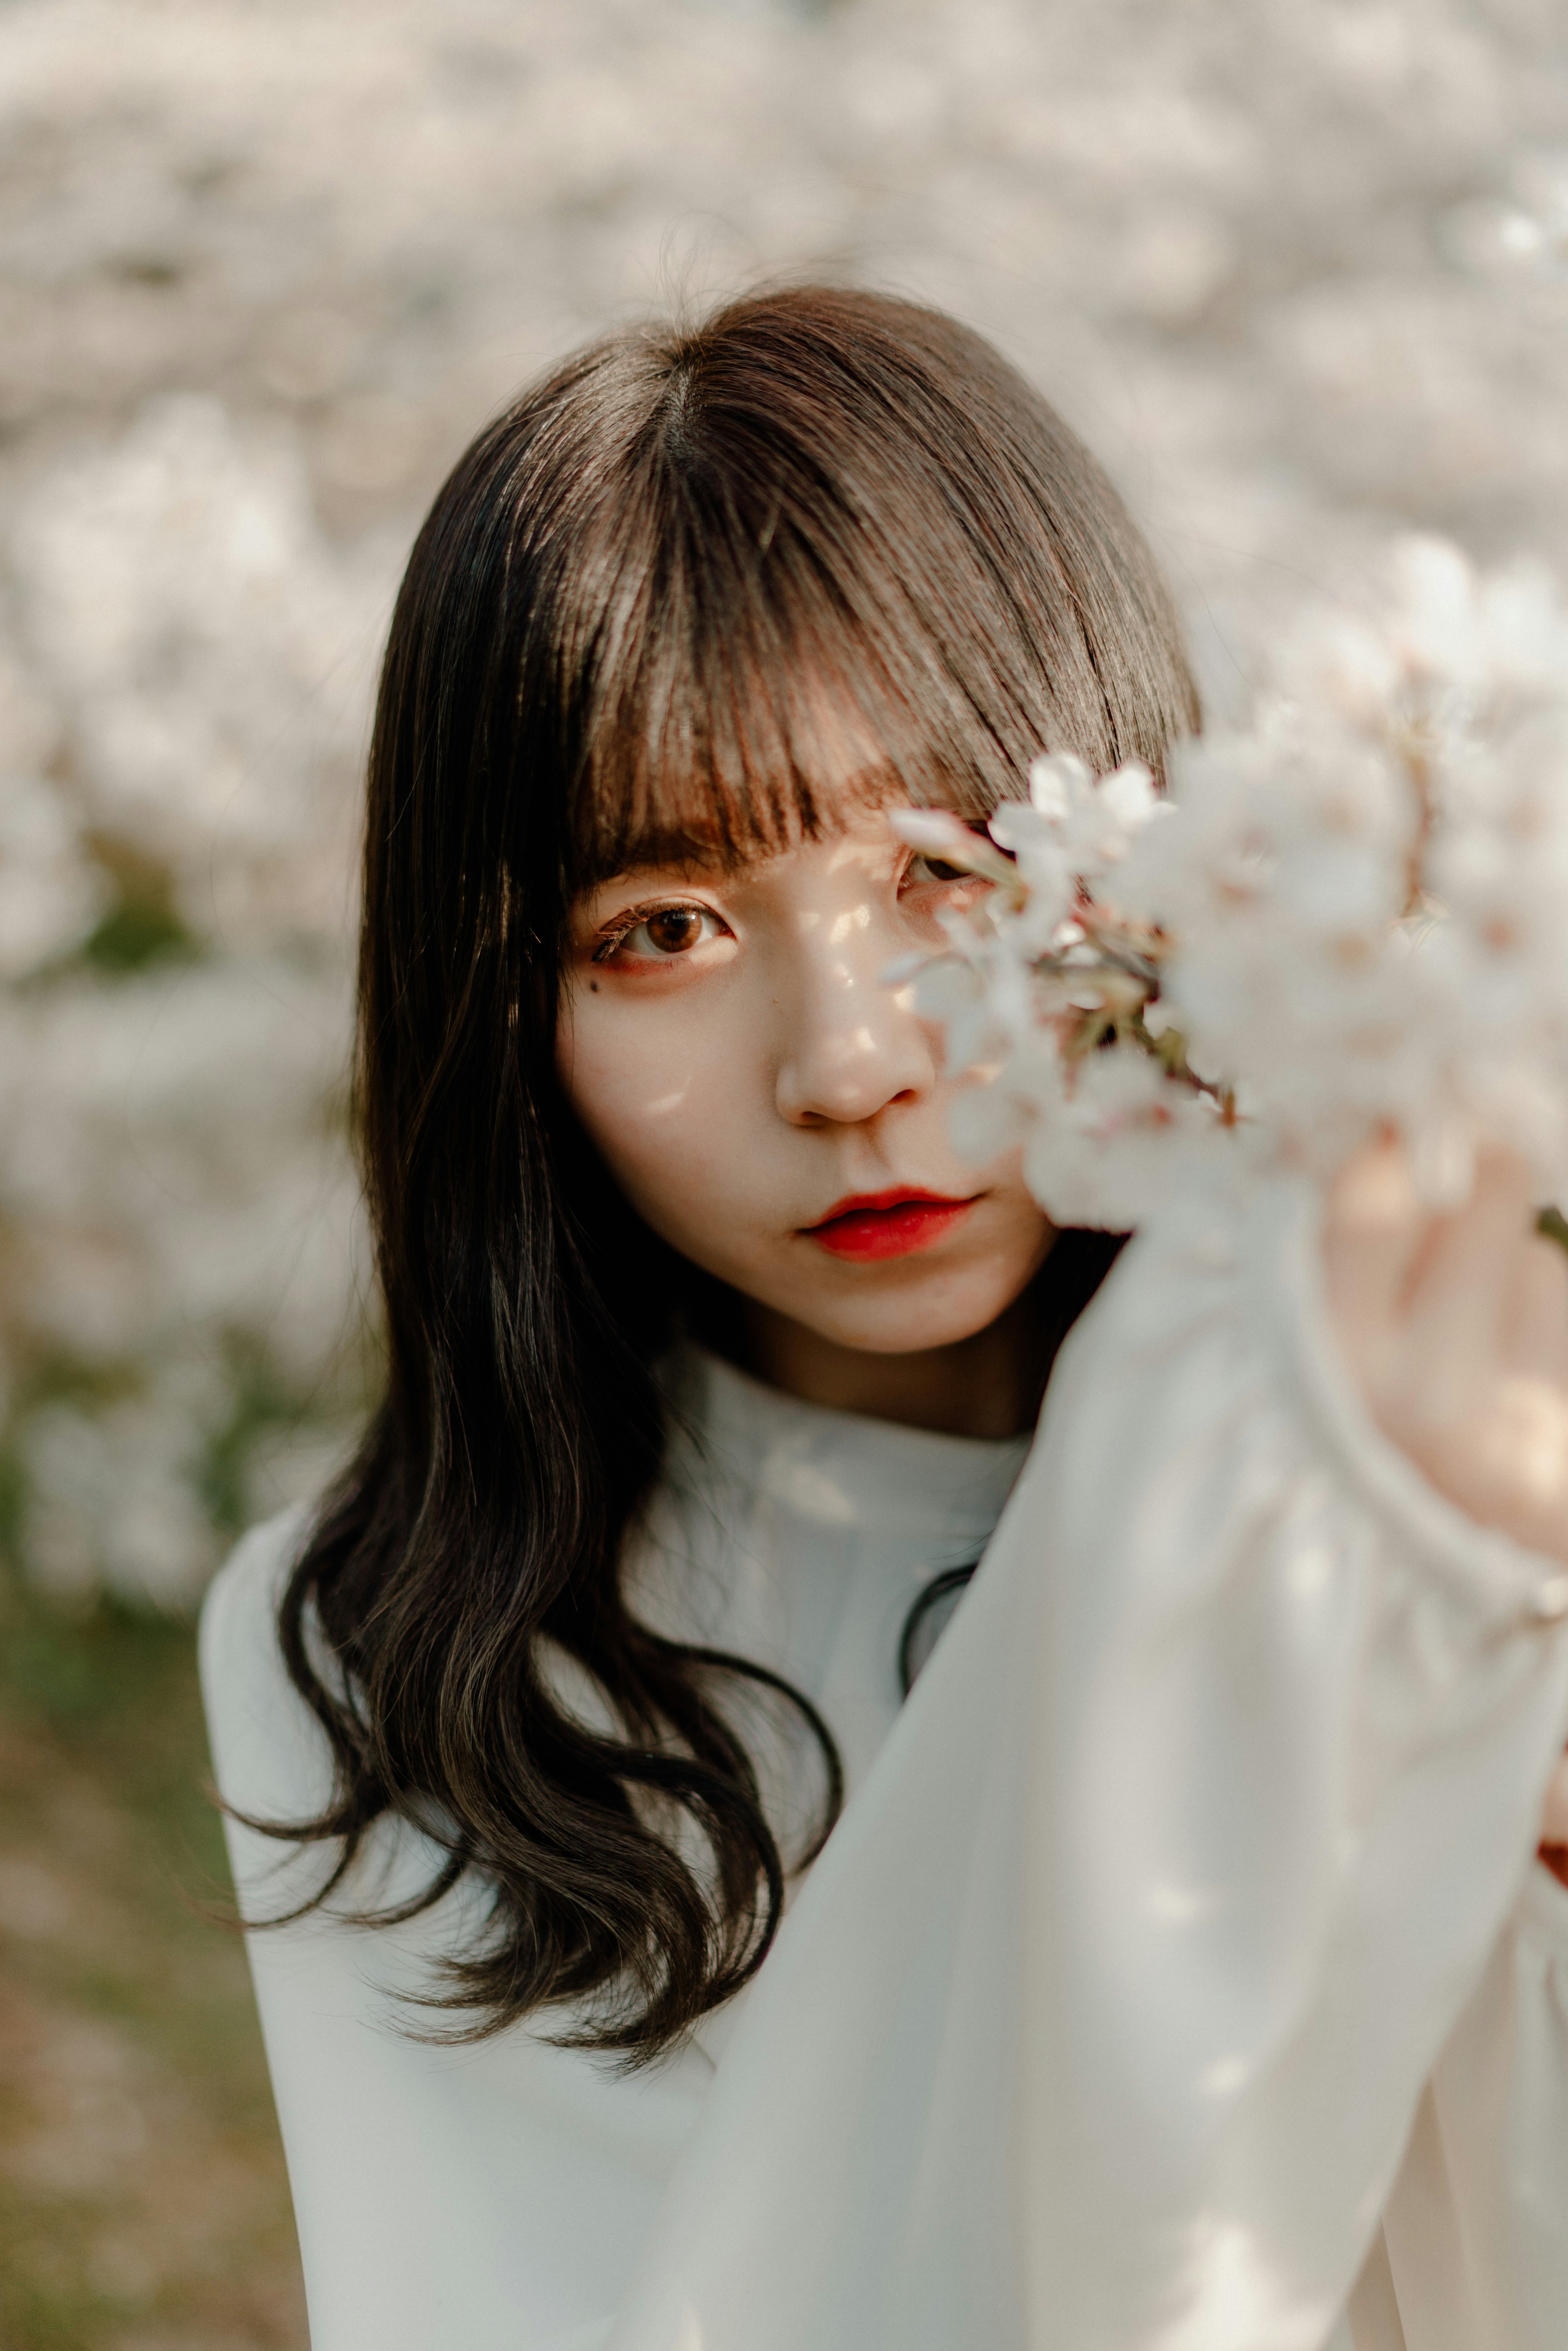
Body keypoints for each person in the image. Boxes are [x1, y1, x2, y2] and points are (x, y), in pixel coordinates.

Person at [200, 286, 1568, 2351]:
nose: (851, 1063)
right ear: (504, 1005)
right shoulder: (393, 1652)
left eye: (950, 870)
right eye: (661, 930)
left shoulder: (1464, 1447)